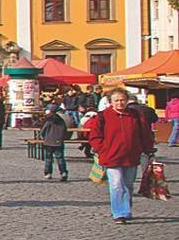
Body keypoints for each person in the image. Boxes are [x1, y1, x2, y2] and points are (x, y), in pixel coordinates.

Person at [86, 87, 156, 223]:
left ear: (127, 100)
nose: (120, 103)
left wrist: (148, 149)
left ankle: (126, 208)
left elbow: (145, 134)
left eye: (122, 100)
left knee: (128, 184)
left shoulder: (135, 115)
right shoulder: (103, 116)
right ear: (111, 102)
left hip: (131, 156)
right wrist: (102, 149)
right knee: (116, 184)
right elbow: (94, 136)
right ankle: (119, 213)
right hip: (111, 156)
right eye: (116, 100)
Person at [39, 107, 70, 181]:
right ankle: (63, 172)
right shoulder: (61, 120)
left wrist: (44, 137)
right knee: (60, 158)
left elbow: (43, 131)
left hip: (48, 141)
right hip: (59, 141)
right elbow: (65, 130)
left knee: (48, 159)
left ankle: (48, 173)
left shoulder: (48, 121)